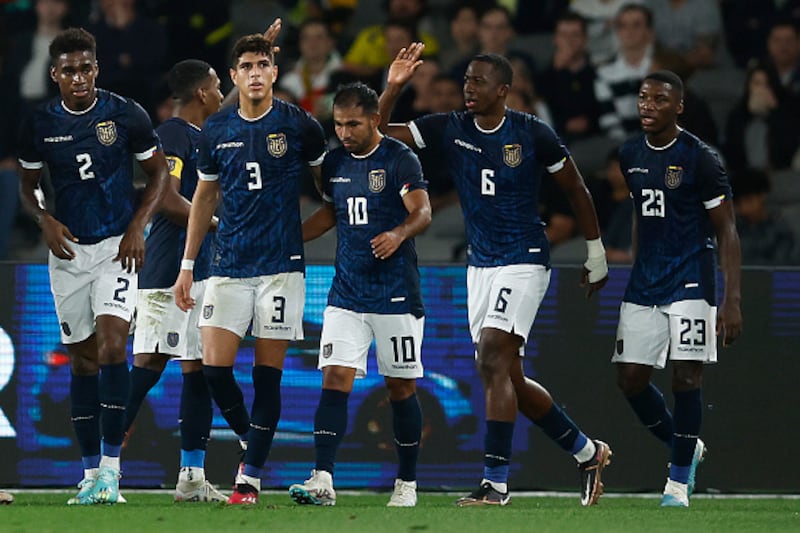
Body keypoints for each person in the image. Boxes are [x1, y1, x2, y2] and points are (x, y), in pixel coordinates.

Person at [379, 45, 613, 507]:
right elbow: (380, 133)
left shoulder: (532, 134)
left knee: (490, 358)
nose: (469, 88)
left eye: (479, 81)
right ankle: (588, 452)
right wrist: (395, 85)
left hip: (524, 258)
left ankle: (495, 484)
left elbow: (576, 188)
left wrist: (595, 250)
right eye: (466, 80)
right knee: (508, 377)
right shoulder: (450, 128)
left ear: (503, 90)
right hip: (480, 266)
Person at [17, 27, 171, 504]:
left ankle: (111, 470)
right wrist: (44, 219)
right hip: (67, 252)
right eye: (69, 71)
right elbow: (28, 186)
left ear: (96, 69)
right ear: (55, 75)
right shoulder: (40, 122)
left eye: (86, 68)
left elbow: (159, 172)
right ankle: (87, 475)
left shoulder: (125, 114)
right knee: (82, 361)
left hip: (115, 248)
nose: (79, 77)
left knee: (110, 346)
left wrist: (136, 228)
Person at [173, 33, 327, 505]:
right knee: (214, 370)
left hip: (281, 268)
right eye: (247, 65)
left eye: (264, 64)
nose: (256, 72)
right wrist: (187, 265)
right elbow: (203, 197)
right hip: (229, 264)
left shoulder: (300, 126)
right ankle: (252, 434)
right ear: (235, 75)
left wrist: (299, 236)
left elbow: (332, 191)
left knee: (267, 376)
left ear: (275, 72)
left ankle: (250, 479)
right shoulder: (216, 130)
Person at [288, 82, 431, 508]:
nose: (345, 133)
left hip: (395, 295)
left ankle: (406, 483)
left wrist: (398, 233)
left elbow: (422, 211)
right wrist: (290, 240)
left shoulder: (399, 159)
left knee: (400, 388)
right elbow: (332, 212)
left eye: (353, 124)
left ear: (374, 119)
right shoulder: (335, 162)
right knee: (335, 378)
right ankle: (323, 478)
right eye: (338, 124)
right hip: (346, 293)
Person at [613, 70, 742, 507]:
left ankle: (677, 482)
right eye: (644, 98)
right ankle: (688, 445)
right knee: (630, 379)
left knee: (686, 375)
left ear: (679, 107)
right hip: (646, 279)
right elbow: (640, 216)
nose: (648, 105)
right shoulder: (629, 154)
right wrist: (633, 263)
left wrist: (731, 299)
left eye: (660, 99)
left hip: (691, 275)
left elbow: (727, 230)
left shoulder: (700, 158)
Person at [123, 59, 226, 502]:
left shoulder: (202, 134)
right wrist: (216, 221)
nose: (224, 93)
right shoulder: (172, 134)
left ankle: (191, 478)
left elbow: (237, 105)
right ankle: (100, 468)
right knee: (147, 366)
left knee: (197, 371)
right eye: (220, 85)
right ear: (202, 93)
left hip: (199, 270)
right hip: (167, 271)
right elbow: (164, 195)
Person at [594, 3, 655, 141]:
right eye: (623, 25)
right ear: (617, 31)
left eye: (636, 25)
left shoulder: (662, 68)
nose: (629, 31)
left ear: (649, 31)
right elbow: (609, 122)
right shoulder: (604, 74)